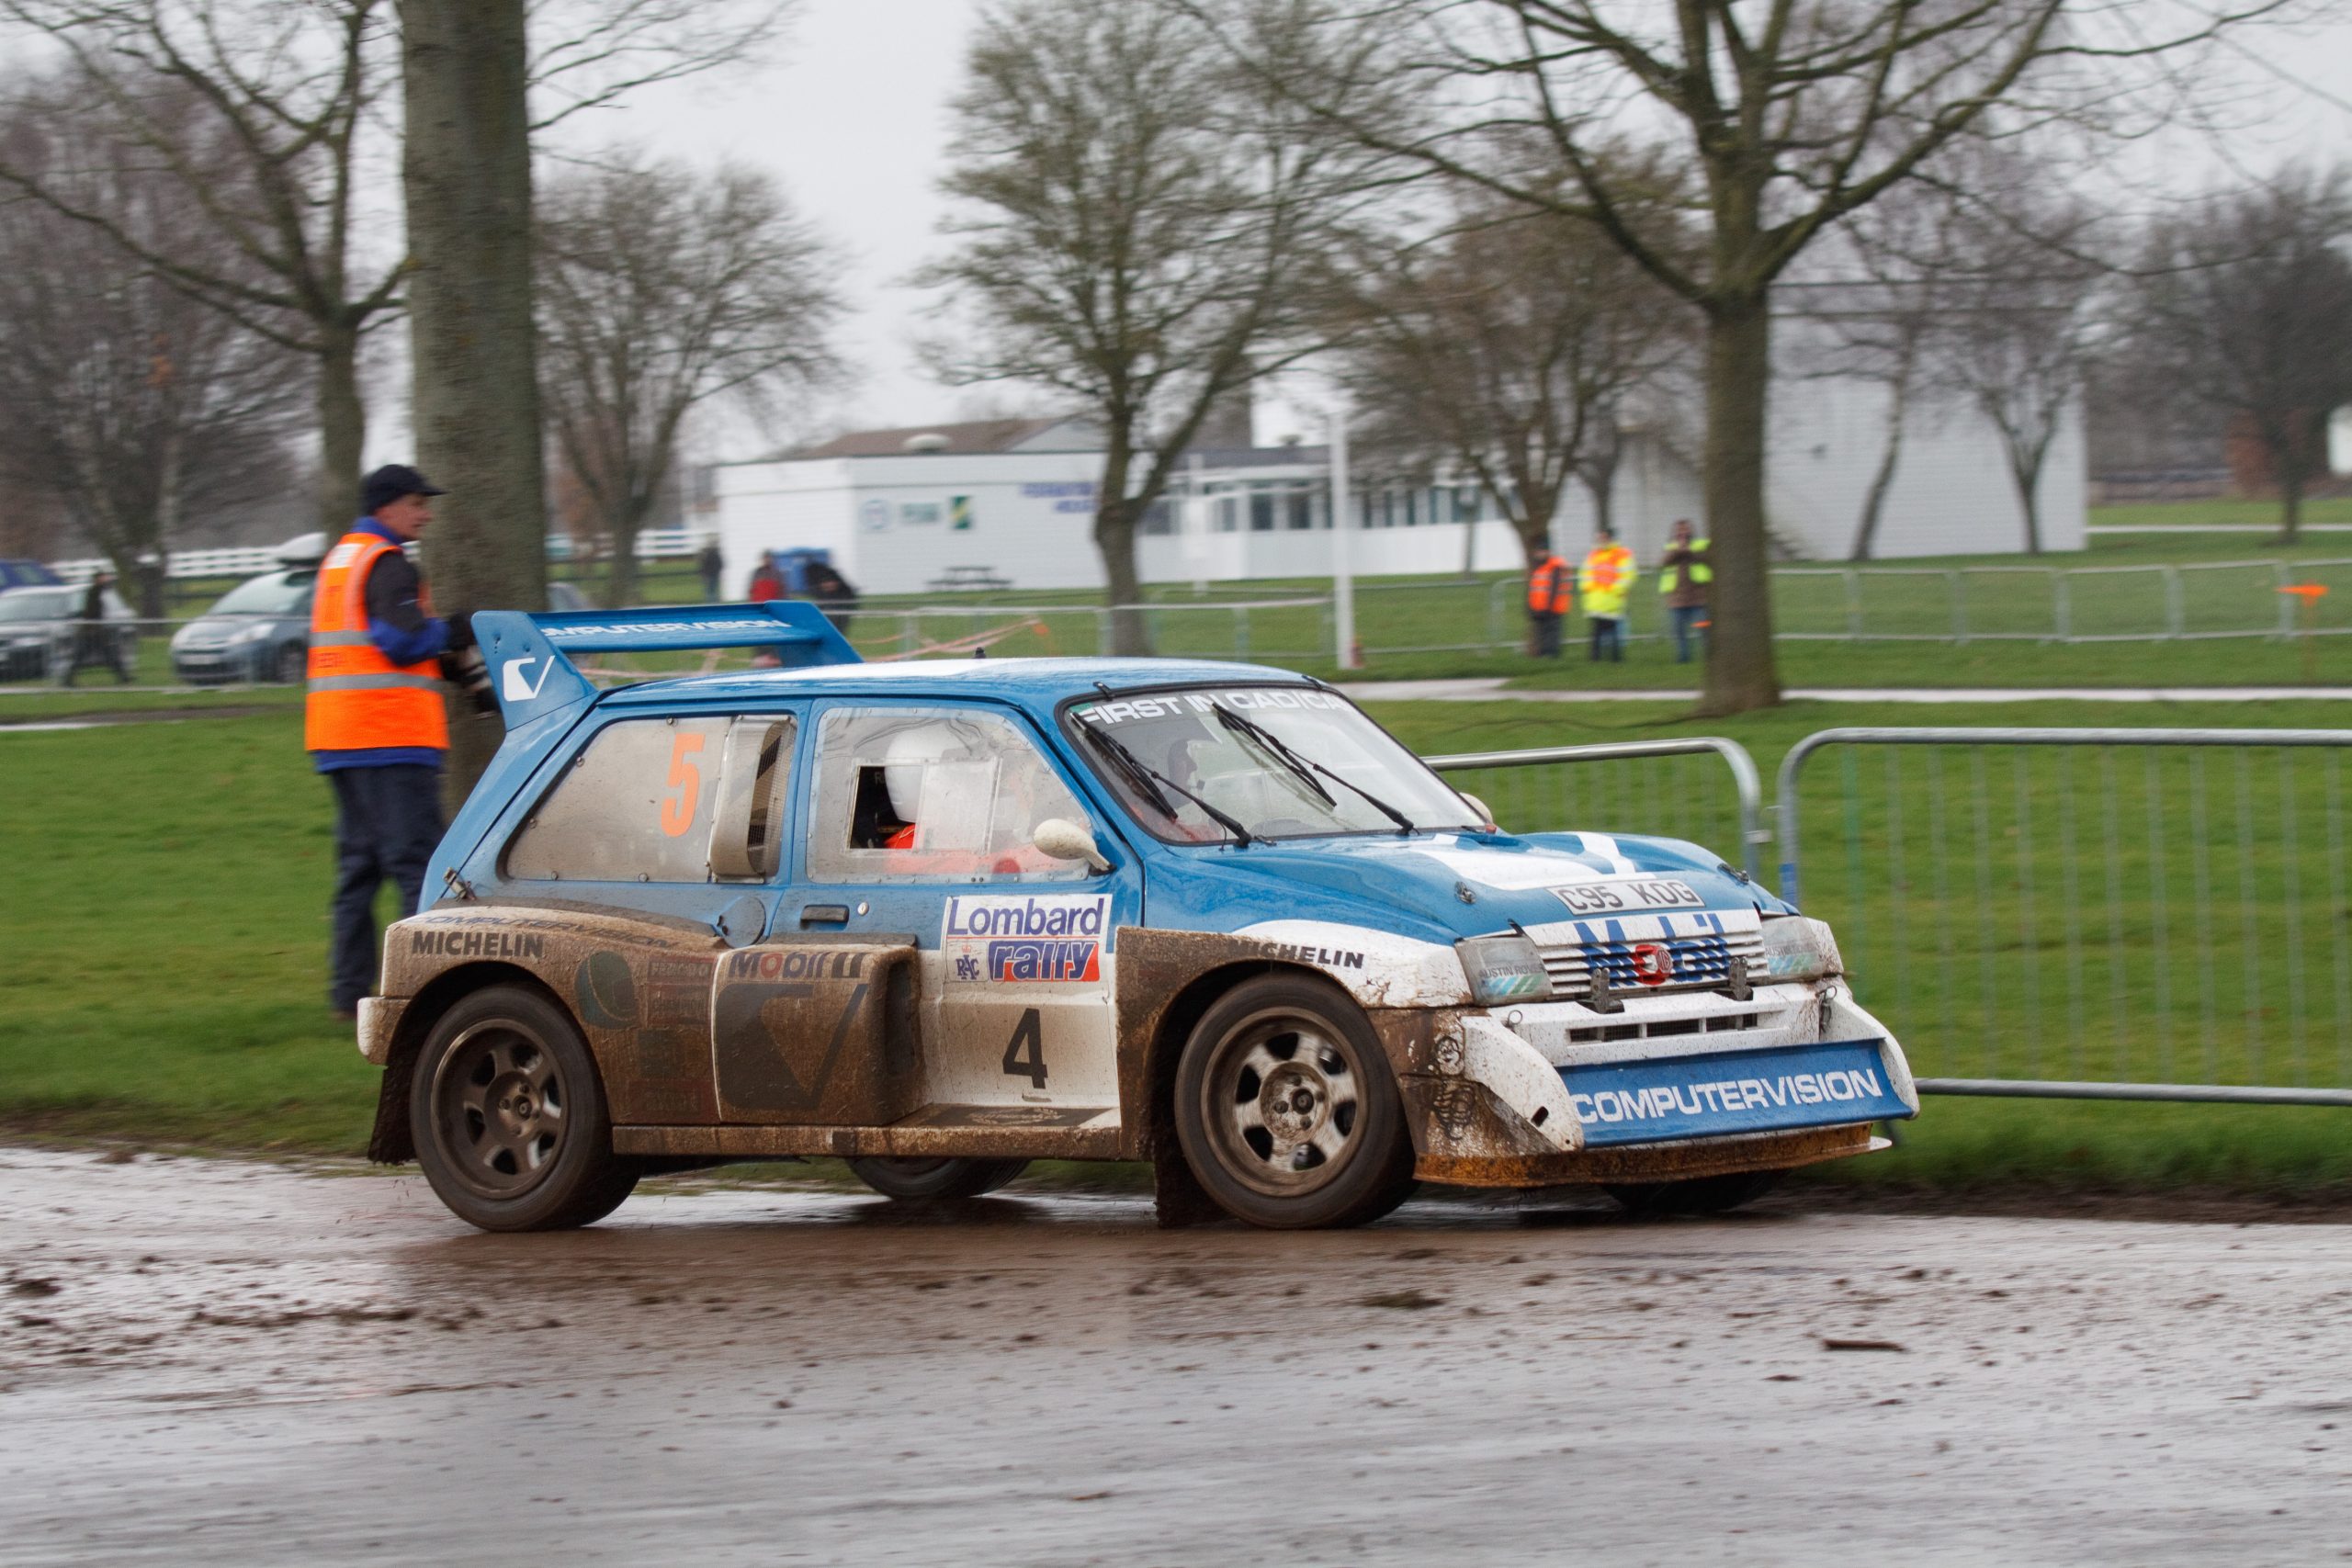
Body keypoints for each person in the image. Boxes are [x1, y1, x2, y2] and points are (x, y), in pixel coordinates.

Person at [307, 463, 466, 1019]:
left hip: (339, 737)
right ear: (387, 508)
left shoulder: (341, 560)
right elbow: (399, 643)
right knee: (417, 866)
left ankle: (346, 995)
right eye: (417, 504)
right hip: (390, 738)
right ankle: (421, 997)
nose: (425, 514)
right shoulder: (387, 562)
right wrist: (452, 630)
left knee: (359, 870)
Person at [62, 570, 130, 684]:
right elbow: (91, 611)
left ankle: (123, 677)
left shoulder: (100, 591)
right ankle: (68, 680)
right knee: (83, 655)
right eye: (103, 578)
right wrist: (93, 625)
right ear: (97, 579)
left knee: (109, 654)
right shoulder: (94, 592)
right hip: (92, 631)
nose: (106, 579)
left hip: (97, 630)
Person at [1578, 527, 1636, 662]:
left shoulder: (1621, 554)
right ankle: (1595, 659)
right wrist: (1588, 589)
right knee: (1596, 632)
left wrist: (1616, 590)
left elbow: (1628, 576)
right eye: (1600, 537)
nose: (1601, 540)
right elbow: (1585, 575)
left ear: (1611, 538)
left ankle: (1615, 660)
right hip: (1596, 600)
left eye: (1604, 537)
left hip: (1612, 600)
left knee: (1613, 631)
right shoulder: (1593, 555)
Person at [1657, 518, 1712, 663]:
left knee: (1703, 628)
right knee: (1679, 631)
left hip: (1699, 598)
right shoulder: (1670, 546)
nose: (1683, 532)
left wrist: (1690, 552)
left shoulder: (1700, 544)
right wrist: (1677, 551)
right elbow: (1663, 562)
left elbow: (1709, 558)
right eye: (1680, 530)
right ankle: (1683, 658)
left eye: (1685, 529)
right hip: (1677, 600)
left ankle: (1709, 658)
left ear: (1691, 530)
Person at [1525, 547, 1572, 658]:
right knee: (1542, 632)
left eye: (1541, 551)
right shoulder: (1540, 567)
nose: (1538, 554)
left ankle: (1551, 654)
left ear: (1547, 552)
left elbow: (1554, 589)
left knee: (1552, 632)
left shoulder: (1554, 567)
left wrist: (1548, 607)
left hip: (1552, 608)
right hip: (1540, 607)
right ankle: (1544, 654)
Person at [696, 536, 724, 600]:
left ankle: (711, 603)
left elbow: (703, 565)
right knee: (712, 590)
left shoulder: (707, 554)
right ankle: (713, 603)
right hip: (712, 574)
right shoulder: (715, 553)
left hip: (710, 574)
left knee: (710, 590)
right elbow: (720, 564)